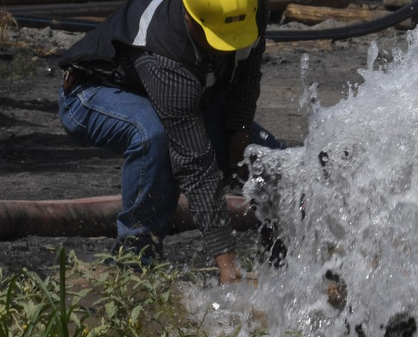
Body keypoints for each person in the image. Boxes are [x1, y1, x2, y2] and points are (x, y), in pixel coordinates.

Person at [57, 0, 284, 284]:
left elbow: (248, 71)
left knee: (267, 159)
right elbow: (194, 161)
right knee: (156, 137)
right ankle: (135, 261)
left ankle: (287, 262)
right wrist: (225, 259)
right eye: (217, 40)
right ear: (190, 18)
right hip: (93, 94)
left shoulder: (250, 7)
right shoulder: (163, 48)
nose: (226, 49)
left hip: (189, 92)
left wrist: (239, 133)